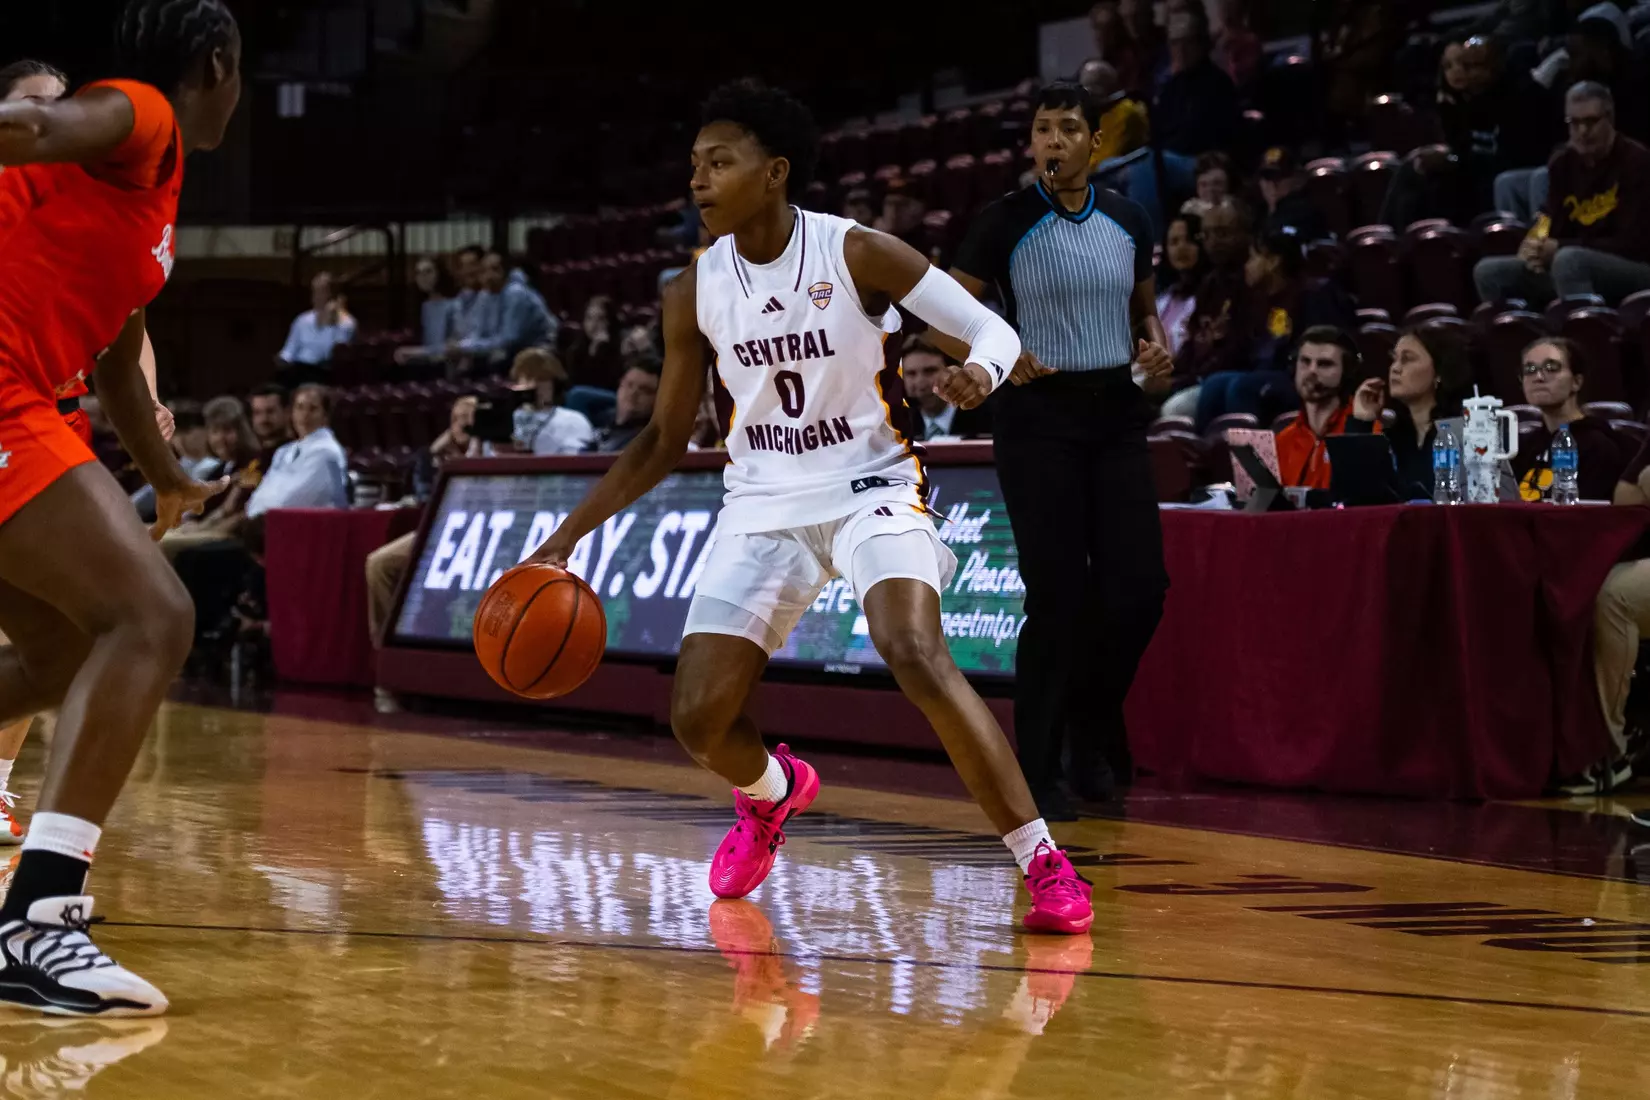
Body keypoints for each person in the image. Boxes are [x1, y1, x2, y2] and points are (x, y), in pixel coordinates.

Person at [527, 80, 1094, 933]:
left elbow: (989, 328)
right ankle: (773, 794)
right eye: (693, 165)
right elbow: (659, 441)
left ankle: (1043, 861)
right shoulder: (692, 291)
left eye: (720, 162)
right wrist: (562, 540)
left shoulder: (855, 252)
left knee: (911, 645)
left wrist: (982, 369)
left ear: (775, 172)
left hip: (874, 485)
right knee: (698, 720)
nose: (699, 179)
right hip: (761, 502)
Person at [0, 0, 241, 1016]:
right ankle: (37, 922)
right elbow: (31, 126)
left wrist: (169, 476)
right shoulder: (141, 114)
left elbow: (115, 366)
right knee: (154, 616)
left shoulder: (146, 203)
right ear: (217, 66)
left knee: (58, 654)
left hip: (29, 399)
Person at [938, 81, 1173, 818]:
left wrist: (1157, 350)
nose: (1055, 141)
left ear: (1095, 144)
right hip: (1036, 418)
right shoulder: (1003, 221)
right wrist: (996, 354)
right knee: (1059, 595)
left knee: (1141, 590)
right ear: (1033, 142)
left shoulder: (1130, 218)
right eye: (1044, 129)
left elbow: (1145, 315)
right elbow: (943, 313)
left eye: (1069, 128)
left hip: (1116, 413)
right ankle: (1037, 770)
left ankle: (1091, 723)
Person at [1474, 82, 1650, 306]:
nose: (1582, 132)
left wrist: (1561, 247)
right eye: (1574, 123)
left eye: (1591, 122)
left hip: (1633, 267)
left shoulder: (1637, 162)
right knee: (1489, 271)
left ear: (1610, 118)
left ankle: (1580, 337)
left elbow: (1631, 243)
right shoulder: (1563, 162)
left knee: (1569, 260)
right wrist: (1534, 244)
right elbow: (1549, 217)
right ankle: (1526, 337)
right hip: (1571, 262)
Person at [1193, 229, 1357, 430]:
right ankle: (1211, 457)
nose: (1247, 266)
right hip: (1264, 373)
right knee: (1214, 385)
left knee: (1242, 388)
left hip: (1298, 375)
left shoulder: (1313, 294)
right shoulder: (1258, 301)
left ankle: (1255, 461)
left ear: (1273, 262)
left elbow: (1328, 344)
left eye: (1253, 258)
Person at [1345, 325, 1473, 496]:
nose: (1395, 368)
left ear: (1439, 373)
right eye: (1394, 359)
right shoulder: (1394, 437)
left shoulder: (1462, 433)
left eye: (1407, 359)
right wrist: (1362, 422)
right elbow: (1355, 494)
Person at [1511, 336, 1633, 501]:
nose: (1538, 377)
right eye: (1530, 369)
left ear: (1576, 382)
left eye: (1551, 367)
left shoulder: (1598, 445)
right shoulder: (1524, 447)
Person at [1274, 326, 1370, 490]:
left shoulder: (1367, 431)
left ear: (1347, 372)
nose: (1312, 371)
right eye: (1305, 361)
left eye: (1324, 364)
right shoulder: (1283, 441)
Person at [244, 384, 347, 517]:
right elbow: (257, 498)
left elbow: (292, 500)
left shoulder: (327, 452)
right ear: (292, 413)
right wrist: (254, 513)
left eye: (313, 409)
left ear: (325, 416)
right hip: (269, 524)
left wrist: (259, 512)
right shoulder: (284, 451)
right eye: (300, 407)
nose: (304, 415)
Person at [453, 252, 558, 372]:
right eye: (484, 271)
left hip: (537, 348)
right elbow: (477, 331)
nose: (488, 276)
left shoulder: (516, 293)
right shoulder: (485, 294)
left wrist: (468, 347)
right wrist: (465, 346)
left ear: (506, 272)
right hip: (507, 350)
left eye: (495, 270)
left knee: (496, 358)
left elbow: (509, 339)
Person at [900, 337, 994, 440]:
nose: (920, 382)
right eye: (911, 374)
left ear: (952, 371)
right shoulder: (897, 425)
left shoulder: (990, 418)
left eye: (930, 371)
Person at [509, 349, 596, 455]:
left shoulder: (573, 421)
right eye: (528, 379)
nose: (535, 386)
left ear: (554, 385)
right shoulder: (506, 420)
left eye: (541, 380)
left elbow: (575, 464)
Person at [274, 272, 356, 385]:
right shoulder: (302, 320)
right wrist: (282, 359)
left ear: (333, 296)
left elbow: (330, 355)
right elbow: (289, 351)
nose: (316, 298)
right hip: (297, 370)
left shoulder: (346, 323)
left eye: (322, 293)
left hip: (325, 373)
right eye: (315, 292)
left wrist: (329, 323)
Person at [1154, 212, 1206, 361]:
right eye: (1174, 242)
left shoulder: (1210, 295)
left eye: (1189, 240)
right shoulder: (1162, 299)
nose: (1181, 248)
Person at [392, 256, 458, 367]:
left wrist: (415, 352)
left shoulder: (453, 305)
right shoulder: (421, 306)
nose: (423, 277)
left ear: (439, 273)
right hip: (425, 363)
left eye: (428, 272)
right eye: (419, 273)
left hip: (445, 364)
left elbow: (449, 348)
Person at [590, 358, 661, 452]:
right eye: (629, 384)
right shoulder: (600, 424)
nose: (633, 393)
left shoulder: (652, 442)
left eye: (645, 390)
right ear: (619, 385)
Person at [1257, 147, 1328, 240]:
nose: (1272, 185)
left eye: (1280, 177)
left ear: (1297, 180)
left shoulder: (1306, 215)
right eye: (1267, 177)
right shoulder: (1256, 217)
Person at [564, 294, 622, 391]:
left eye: (600, 319)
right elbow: (575, 383)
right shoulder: (576, 349)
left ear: (610, 321)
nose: (593, 325)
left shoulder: (619, 347)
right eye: (589, 318)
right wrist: (592, 352)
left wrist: (599, 350)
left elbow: (611, 383)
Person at [247, 382, 292, 453]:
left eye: (270, 411)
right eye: (257, 413)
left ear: (287, 412)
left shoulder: (298, 452)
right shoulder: (249, 457)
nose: (264, 419)